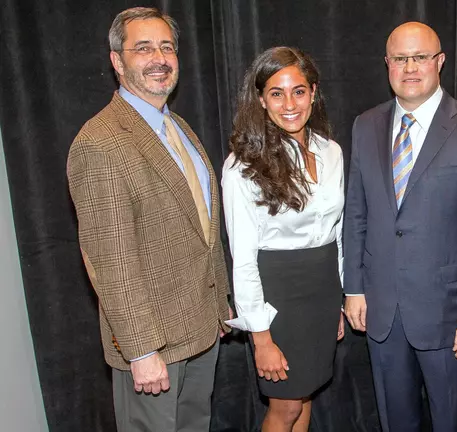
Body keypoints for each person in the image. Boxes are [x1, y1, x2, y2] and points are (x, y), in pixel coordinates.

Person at [66, 7, 231, 432]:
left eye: (167, 47)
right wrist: (140, 351)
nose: (159, 58)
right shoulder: (100, 143)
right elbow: (110, 260)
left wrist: (219, 305)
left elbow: (200, 229)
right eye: (143, 48)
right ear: (117, 62)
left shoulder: (177, 127)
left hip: (198, 331)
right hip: (153, 347)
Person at [343, 21, 457, 432]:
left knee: (451, 422)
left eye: (420, 57)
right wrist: (354, 287)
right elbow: (357, 214)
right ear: (387, 64)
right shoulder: (365, 126)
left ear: (440, 62)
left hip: (449, 317)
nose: (410, 67)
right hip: (381, 312)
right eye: (400, 58)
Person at [221, 47, 345, 432]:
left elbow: (336, 233)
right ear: (261, 99)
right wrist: (261, 339)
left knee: (305, 396)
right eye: (276, 93)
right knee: (286, 408)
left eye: (299, 91)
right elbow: (242, 259)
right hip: (279, 299)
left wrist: (338, 300)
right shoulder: (243, 166)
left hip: (322, 294)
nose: (289, 103)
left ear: (313, 93)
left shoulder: (332, 152)